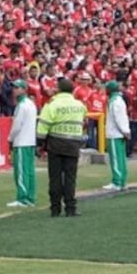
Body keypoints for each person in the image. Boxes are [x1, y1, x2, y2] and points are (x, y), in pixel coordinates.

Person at [35, 77, 86, 217]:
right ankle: (71, 208)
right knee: (70, 177)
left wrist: (40, 144)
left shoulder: (51, 104)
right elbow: (83, 121)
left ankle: (55, 209)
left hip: (55, 145)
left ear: (58, 89)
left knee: (55, 177)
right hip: (73, 145)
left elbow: (43, 125)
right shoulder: (79, 105)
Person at [6, 80, 37, 208]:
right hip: (29, 141)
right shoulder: (30, 103)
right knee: (29, 171)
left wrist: (10, 138)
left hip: (21, 141)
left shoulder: (22, 105)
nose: (14, 90)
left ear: (24, 89)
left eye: (17, 87)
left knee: (21, 171)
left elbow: (17, 125)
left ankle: (22, 198)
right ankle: (30, 197)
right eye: (14, 87)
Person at [102, 80, 128, 191]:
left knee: (116, 159)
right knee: (121, 158)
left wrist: (124, 131)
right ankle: (122, 181)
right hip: (120, 133)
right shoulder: (119, 100)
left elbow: (118, 119)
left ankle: (117, 182)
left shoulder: (114, 101)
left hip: (115, 134)